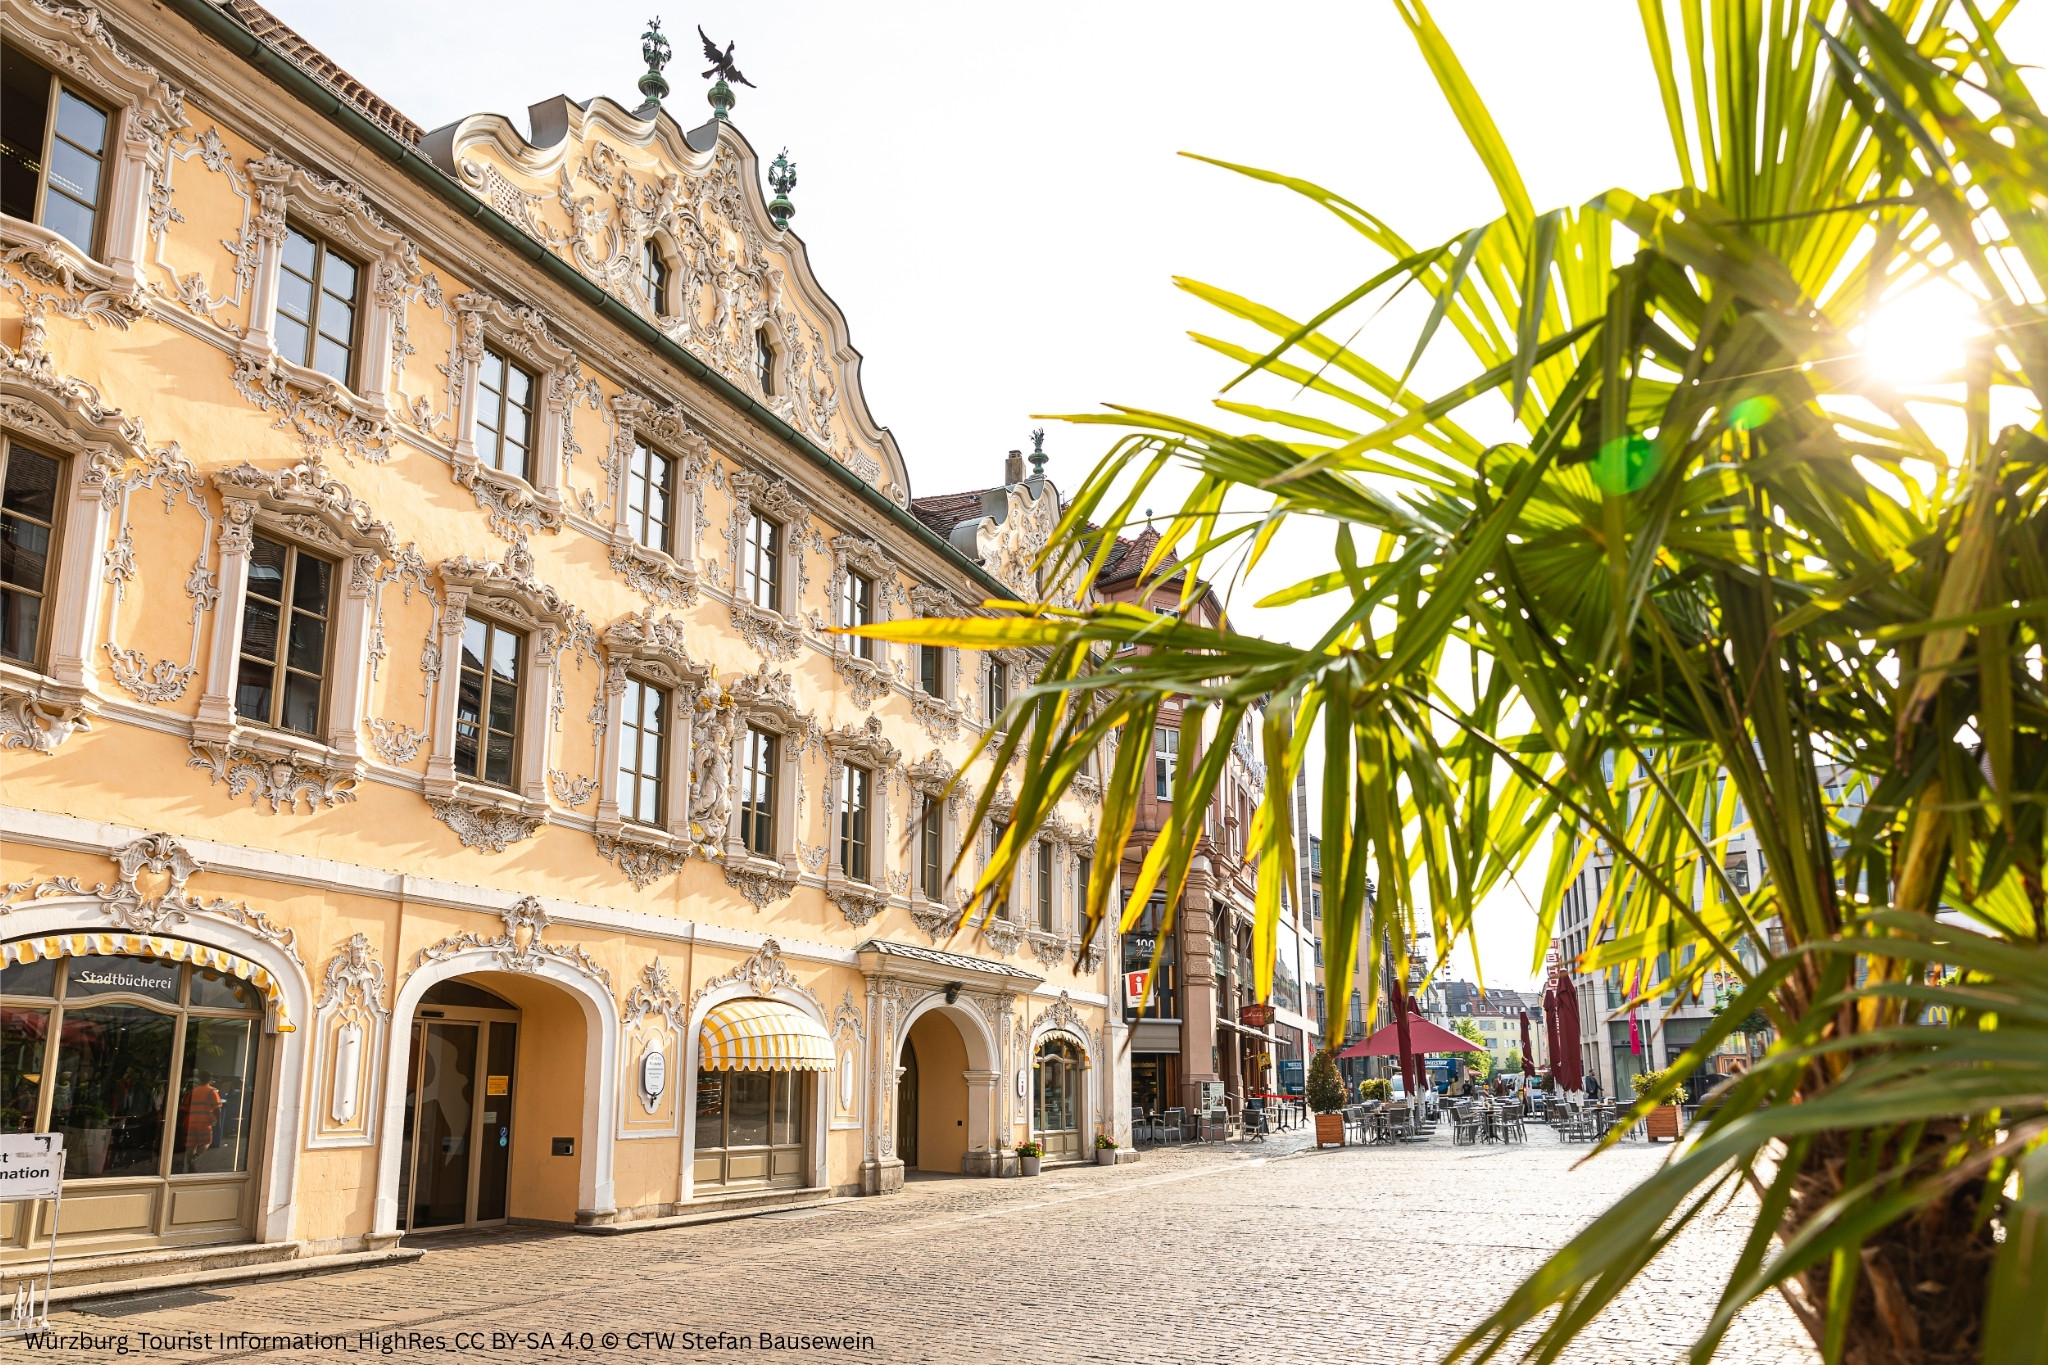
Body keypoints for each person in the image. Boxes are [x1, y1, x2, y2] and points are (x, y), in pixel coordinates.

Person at [178, 1069, 223, 1170]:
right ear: (210, 1080)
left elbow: (183, 1108)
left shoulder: (192, 1092)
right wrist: (219, 1122)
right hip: (204, 1122)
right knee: (206, 1142)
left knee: (191, 1145)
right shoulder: (212, 1091)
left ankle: (190, 1165)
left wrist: (182, 1123)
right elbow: (217, 1109)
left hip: (190, 1122)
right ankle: (195, 1157)